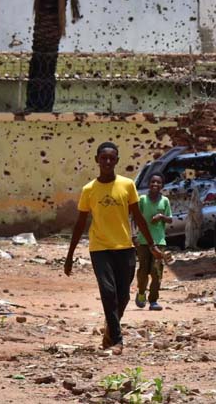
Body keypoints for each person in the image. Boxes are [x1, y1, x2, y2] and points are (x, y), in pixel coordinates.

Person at [64, 142, 163, 355]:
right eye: (103, 158)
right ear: (97, 160)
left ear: (117, 160)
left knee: (124, 296)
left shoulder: (127, 185)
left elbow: (137, 216)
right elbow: (80, 223)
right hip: (99, 249)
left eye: (111, 158)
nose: (107, 162)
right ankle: (117, 340)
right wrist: (70, 255)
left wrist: (152, 244)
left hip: (125, 247)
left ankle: (110, 328)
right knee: (108, 293)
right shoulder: (89, 190)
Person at [135, 173, 173, 311]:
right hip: (143, 242)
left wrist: (161, 216)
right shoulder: (142, 200)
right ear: (149, 184)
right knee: (143, 271)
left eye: (158, 182)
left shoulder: (165, 201)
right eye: (153, 182)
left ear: (162, 185)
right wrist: (134, 236)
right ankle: (141, 292)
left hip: (159, 242)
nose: (155, 185)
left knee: (157, 271)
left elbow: (170, 219)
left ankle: (153, 300)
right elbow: (135, 218)